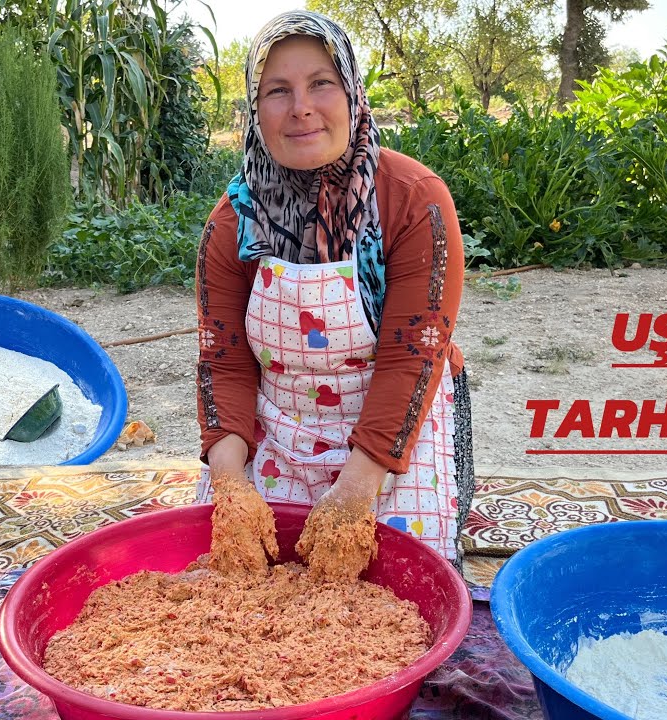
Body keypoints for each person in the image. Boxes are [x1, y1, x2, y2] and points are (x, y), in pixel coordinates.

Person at [196, 10, 473, 578]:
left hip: (398, 427)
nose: (301, 107)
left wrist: (355, 492)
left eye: (321, 83)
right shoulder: (232, 222)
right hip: (282, 425)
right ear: (255, 110)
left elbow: (411, 358)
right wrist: (230, 485)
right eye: (277, 90)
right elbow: (224, 363)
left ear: (352, 92)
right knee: (237, 567)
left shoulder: (413, 200)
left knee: (396, 574)